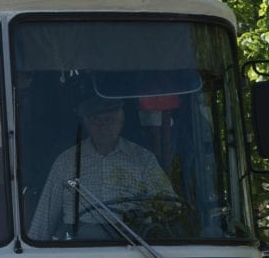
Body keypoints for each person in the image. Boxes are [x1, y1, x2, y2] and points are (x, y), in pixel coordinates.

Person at [28, 91, 175, 240]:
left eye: (109, 119)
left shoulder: (143, 159)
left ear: (121, 120)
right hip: (77, 246)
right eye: (96, 120)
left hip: (134, 244)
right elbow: (43, 220)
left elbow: (168, 207)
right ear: (85, 123)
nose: (103, 126)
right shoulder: (66, 161)